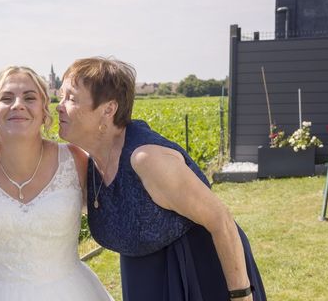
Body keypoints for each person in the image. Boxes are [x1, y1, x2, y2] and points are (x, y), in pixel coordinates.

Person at [57, 57, 267, 301]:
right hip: (145, 281)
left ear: (108, 109)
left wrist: (241, 295)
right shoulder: (89, 164)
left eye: (70, 98)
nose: (59, 106)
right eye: (60, 97)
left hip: (201, 275)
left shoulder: (147, 159)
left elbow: (221, 221)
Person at [0, 66, 113, 301]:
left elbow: (110, 216)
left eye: (30, 97)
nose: (18, 104)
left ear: (44, 109)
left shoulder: (75, 160)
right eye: (6, 98)